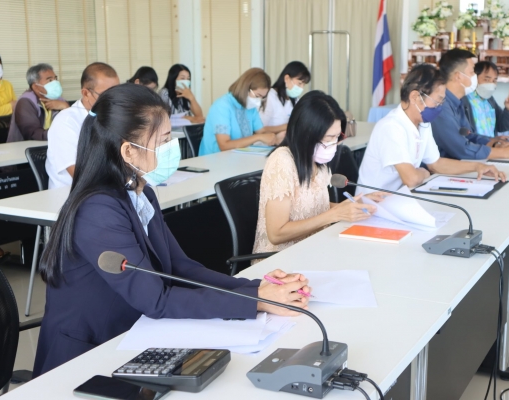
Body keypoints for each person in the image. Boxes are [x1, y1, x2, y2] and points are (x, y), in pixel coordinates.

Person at [33, 84, 310, 377]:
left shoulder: (141, 192)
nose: (171, 148)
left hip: (131, 337)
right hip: (85, 357)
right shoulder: (98, 210)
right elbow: (156, 299)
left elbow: (180, 267)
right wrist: (258, 302)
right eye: (164, 141)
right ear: (129, 151)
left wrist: (257, 288)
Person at [253, 91, 381, 259]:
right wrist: (334, 214)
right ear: (307, 133)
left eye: (337, 137)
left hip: (314, 248)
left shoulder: (318, 162)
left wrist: (356, 204)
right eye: (329, 138)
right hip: (280, 260)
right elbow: (276, 234)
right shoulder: (282, 161)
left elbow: (313, 207)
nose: (333, 144)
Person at [357, 64, 505, 194]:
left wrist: (478, 166)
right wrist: (423, 172)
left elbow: (436, 164)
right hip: (373, 206)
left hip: (402, 198)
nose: (439, 107)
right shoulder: (391, 127)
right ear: (415, 97)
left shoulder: (423, 123)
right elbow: (411, 179)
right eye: (437, 101)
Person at [430, 49, 509, 160]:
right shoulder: (440, 105)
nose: (474, 76)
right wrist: (505, 153)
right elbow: (462, 149)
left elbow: (469, 136)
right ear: (458, 76)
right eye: (472, 72)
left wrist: (494, 143)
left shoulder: (457, 102)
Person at [46, 62, 120, 189]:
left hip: (108, 189)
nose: (113, 101)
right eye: (106, 95)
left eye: (117, 94)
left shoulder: (113, 116)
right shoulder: (65, 122)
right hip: (74, 194)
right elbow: (79, 174)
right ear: (86, 93)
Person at [199, 68, 283, 156]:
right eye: (257, 96)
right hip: (214, 159)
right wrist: (258, 137)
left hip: (239, 158)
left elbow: (261, 132)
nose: (258, 101)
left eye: (262, 97)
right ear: (246, 88)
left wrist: (275, 138)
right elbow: (224, 145)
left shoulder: (250, 107)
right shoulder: (222, 106)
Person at [7, 63, 70, 142]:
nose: (55, 83)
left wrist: (67, 107)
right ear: (36, 87)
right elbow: (33, 134)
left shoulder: (60, 101)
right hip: (25, 148)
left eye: (55, 79)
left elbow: (75, 125)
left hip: (54, 145)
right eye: (50, 80)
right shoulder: (25, 102)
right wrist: (63, 133)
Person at [462, 61, 509, 137]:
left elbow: (503, 126)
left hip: (492, 144)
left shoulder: (490, 100)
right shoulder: (464, 100)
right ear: (474, 78)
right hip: (475, 144)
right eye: (487, 79)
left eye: (494, 80)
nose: (491, 84)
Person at [259, 61, 311, 134]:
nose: (301, 88)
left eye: (303, 85)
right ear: (287, 78)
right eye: (299, 83)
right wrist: (287, 126)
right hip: (270, 140)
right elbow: (260, 129)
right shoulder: (270, 96)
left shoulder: (295, 100)